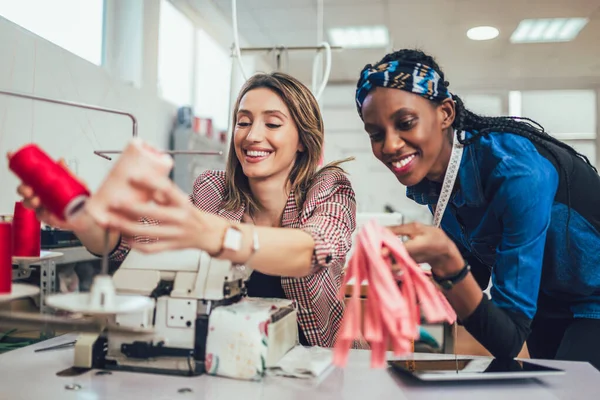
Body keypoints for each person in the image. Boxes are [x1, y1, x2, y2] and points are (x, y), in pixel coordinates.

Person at [14, 72, 361, 349]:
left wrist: (212, 234)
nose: (253, 135)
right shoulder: (213, 189)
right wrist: (82, 218)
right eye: (243, 121)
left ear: (302, 139)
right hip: (230, 355)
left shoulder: (329, 187)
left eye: (272, 124)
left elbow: (316, 249)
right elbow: (130, 237)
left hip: (314, 361)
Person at [355, 48, 600, 369]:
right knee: (550, 388)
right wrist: (418, 292)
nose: (389, 145)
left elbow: (508, 340)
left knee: (571, 390)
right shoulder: (436, 178)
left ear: (445, 113)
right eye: (376, 134)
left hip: (592, 301)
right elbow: (476, 272)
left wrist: (447, 264)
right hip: (544, 303)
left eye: (405, 122)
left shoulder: (515, 171)